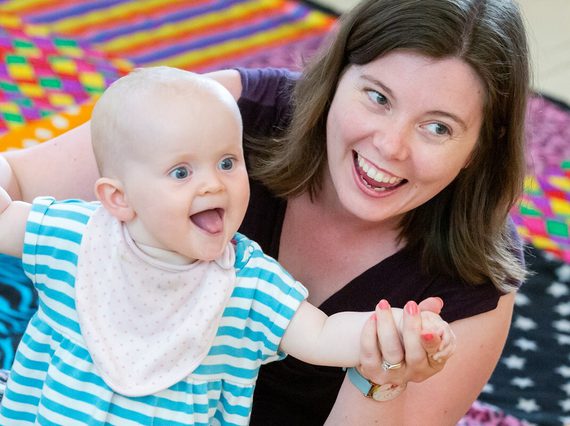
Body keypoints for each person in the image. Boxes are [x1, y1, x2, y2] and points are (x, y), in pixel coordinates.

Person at [0, 0, 530, 423]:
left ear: (484, 143)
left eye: (438, 127)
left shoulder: (476, 277)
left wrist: (382, 371)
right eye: (377, 97)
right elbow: (17, 178)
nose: (391, 146)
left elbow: (329, 338)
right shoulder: (226, 120)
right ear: (336, 76)